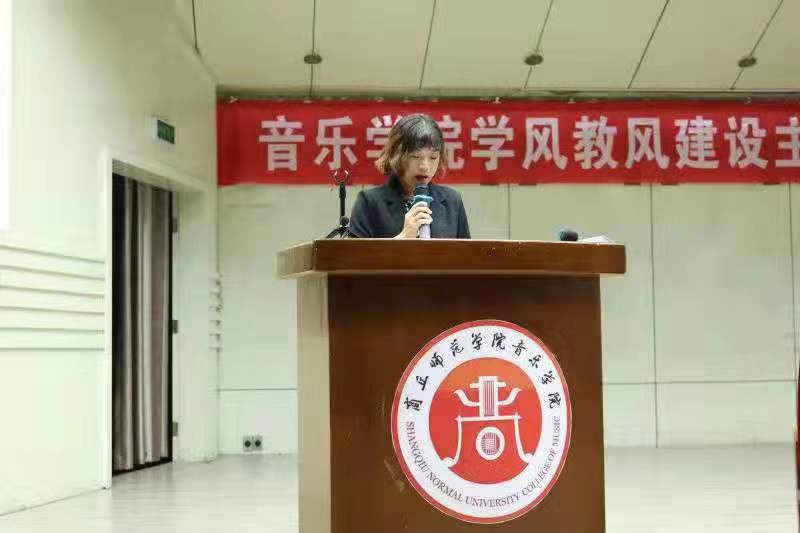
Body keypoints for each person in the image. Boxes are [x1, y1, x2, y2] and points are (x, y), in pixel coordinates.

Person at [347, 114, 471, 239]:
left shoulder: (452, 200)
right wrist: (404, 237)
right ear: (396, 155)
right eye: (415, 156)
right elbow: (356, 252)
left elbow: (467, 251)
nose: (424, 166)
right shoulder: (369, 202)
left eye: (433, 157)